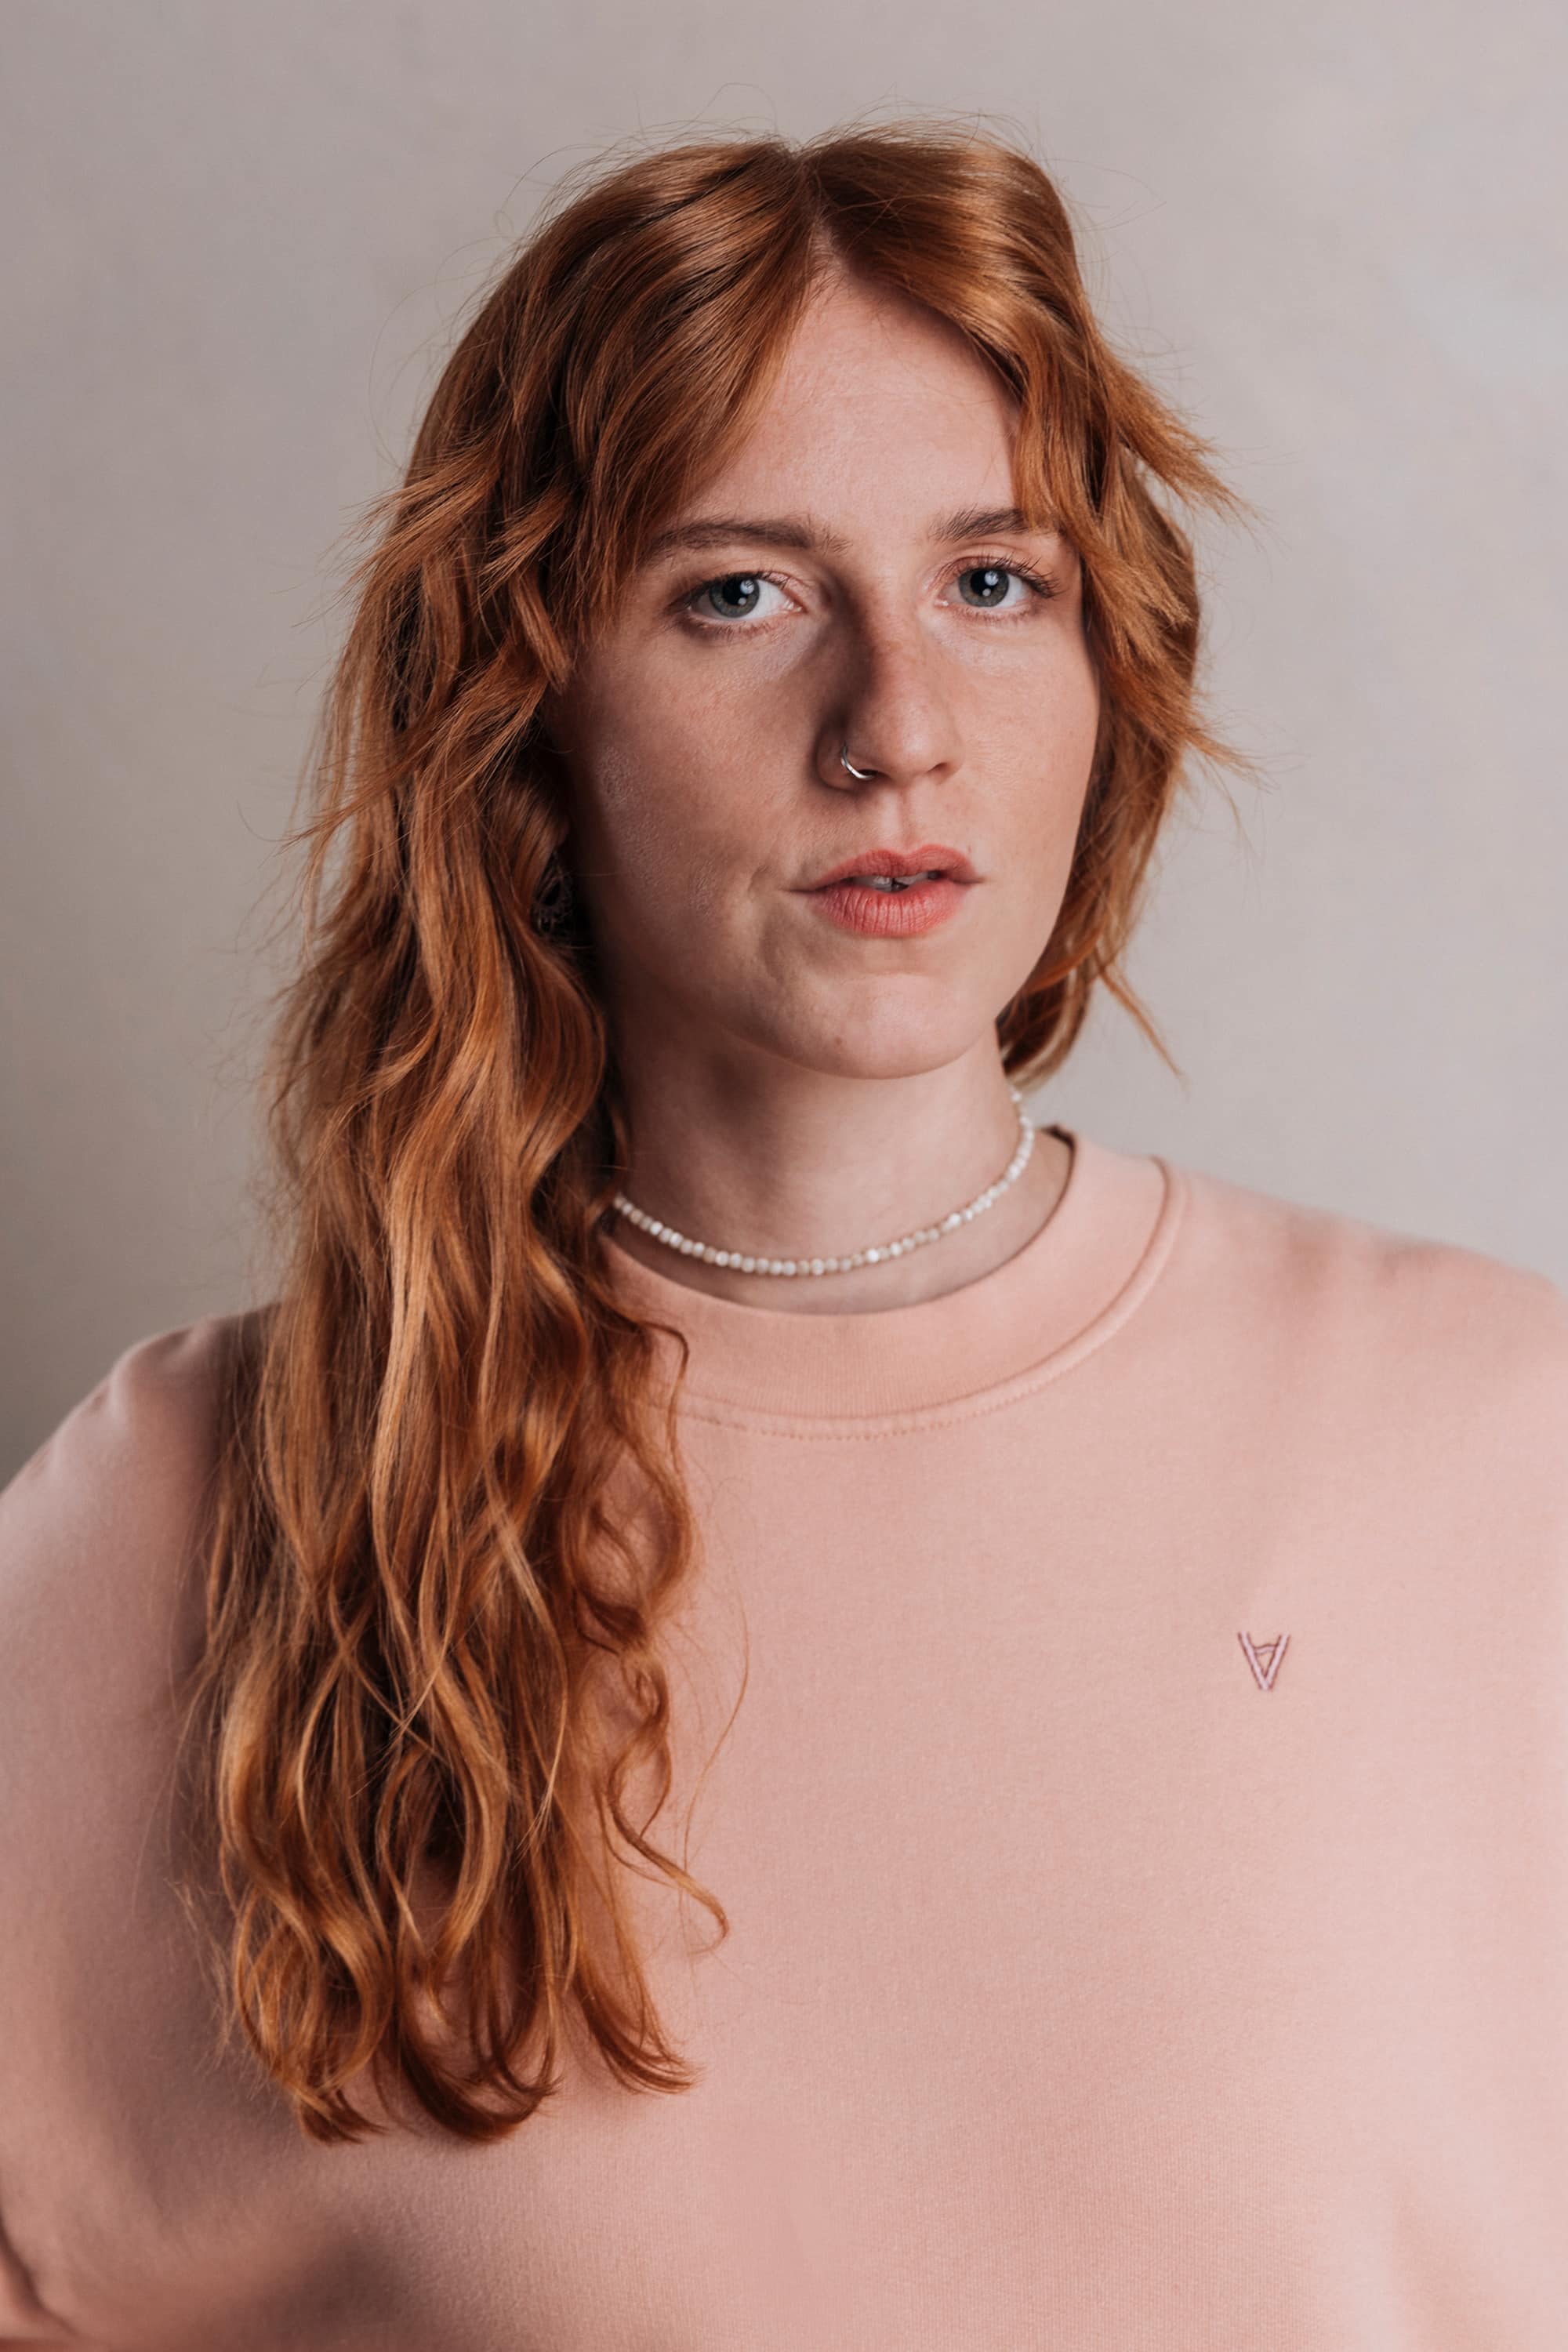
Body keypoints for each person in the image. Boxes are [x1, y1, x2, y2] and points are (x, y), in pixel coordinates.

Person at [2, 117, 1564, 2352]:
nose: (897, 730)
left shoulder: (1496, 1441)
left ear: (1110, 663)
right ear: (529, 712)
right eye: (741, 594)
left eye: (992, 584)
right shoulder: (195, 1501)